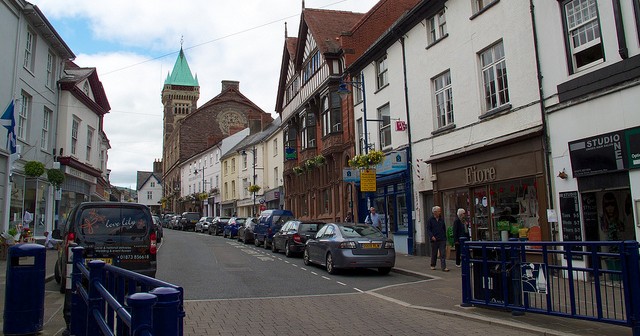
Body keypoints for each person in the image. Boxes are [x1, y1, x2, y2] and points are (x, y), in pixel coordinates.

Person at [427, 206, 448, 271]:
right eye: (439, 211)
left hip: (442, 239)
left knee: (443, 253)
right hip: (434, 239)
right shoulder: (430, 220)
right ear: (434, 212)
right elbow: (428, 229)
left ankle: (444, 267)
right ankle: (433, 265)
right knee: (434, 253)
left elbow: (444, 228)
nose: (440, 212)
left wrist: (445, 237)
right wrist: (431, 236)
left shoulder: (441, 219)